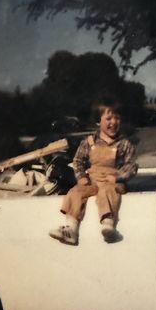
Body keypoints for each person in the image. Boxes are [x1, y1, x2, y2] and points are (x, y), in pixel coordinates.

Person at [49, 98, 138, 245]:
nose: (113, 122)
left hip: (113, 181)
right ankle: (71, 228)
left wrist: (118, 177)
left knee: (107, 191)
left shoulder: (124, 144)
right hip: (93, 180)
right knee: (76, 192)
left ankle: (108, 225)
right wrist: (81, 176)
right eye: (109, 118)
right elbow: (78, 161)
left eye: (117, 118)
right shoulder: (89, 142)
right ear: (99, 121)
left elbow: (131, 165)